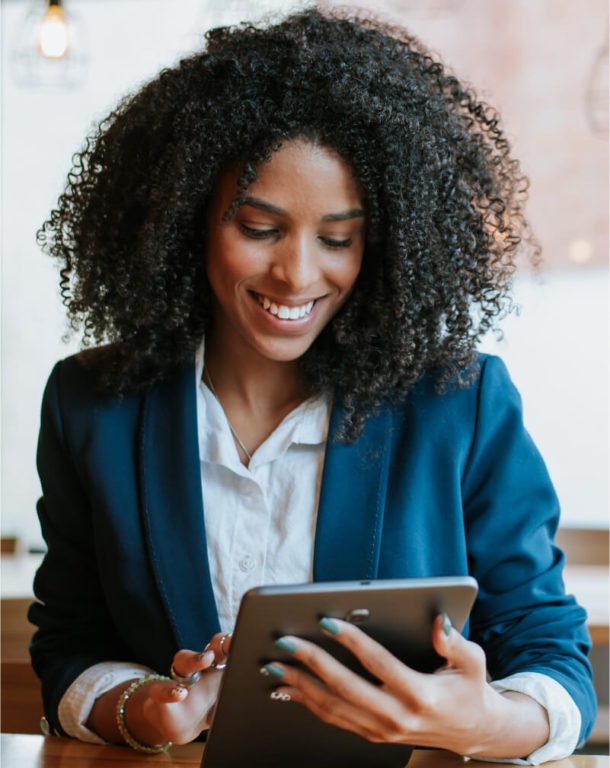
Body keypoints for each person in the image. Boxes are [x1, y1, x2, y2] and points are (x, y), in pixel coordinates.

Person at [30, 5, 595, 763]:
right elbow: (69, 646)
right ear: (184, 217)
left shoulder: (460, 403)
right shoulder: (92, 406)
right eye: (258, 228)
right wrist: (142, 709)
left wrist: (486, 720)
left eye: (338, 239)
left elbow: (555, 658)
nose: (297, 274)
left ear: (384, 242)